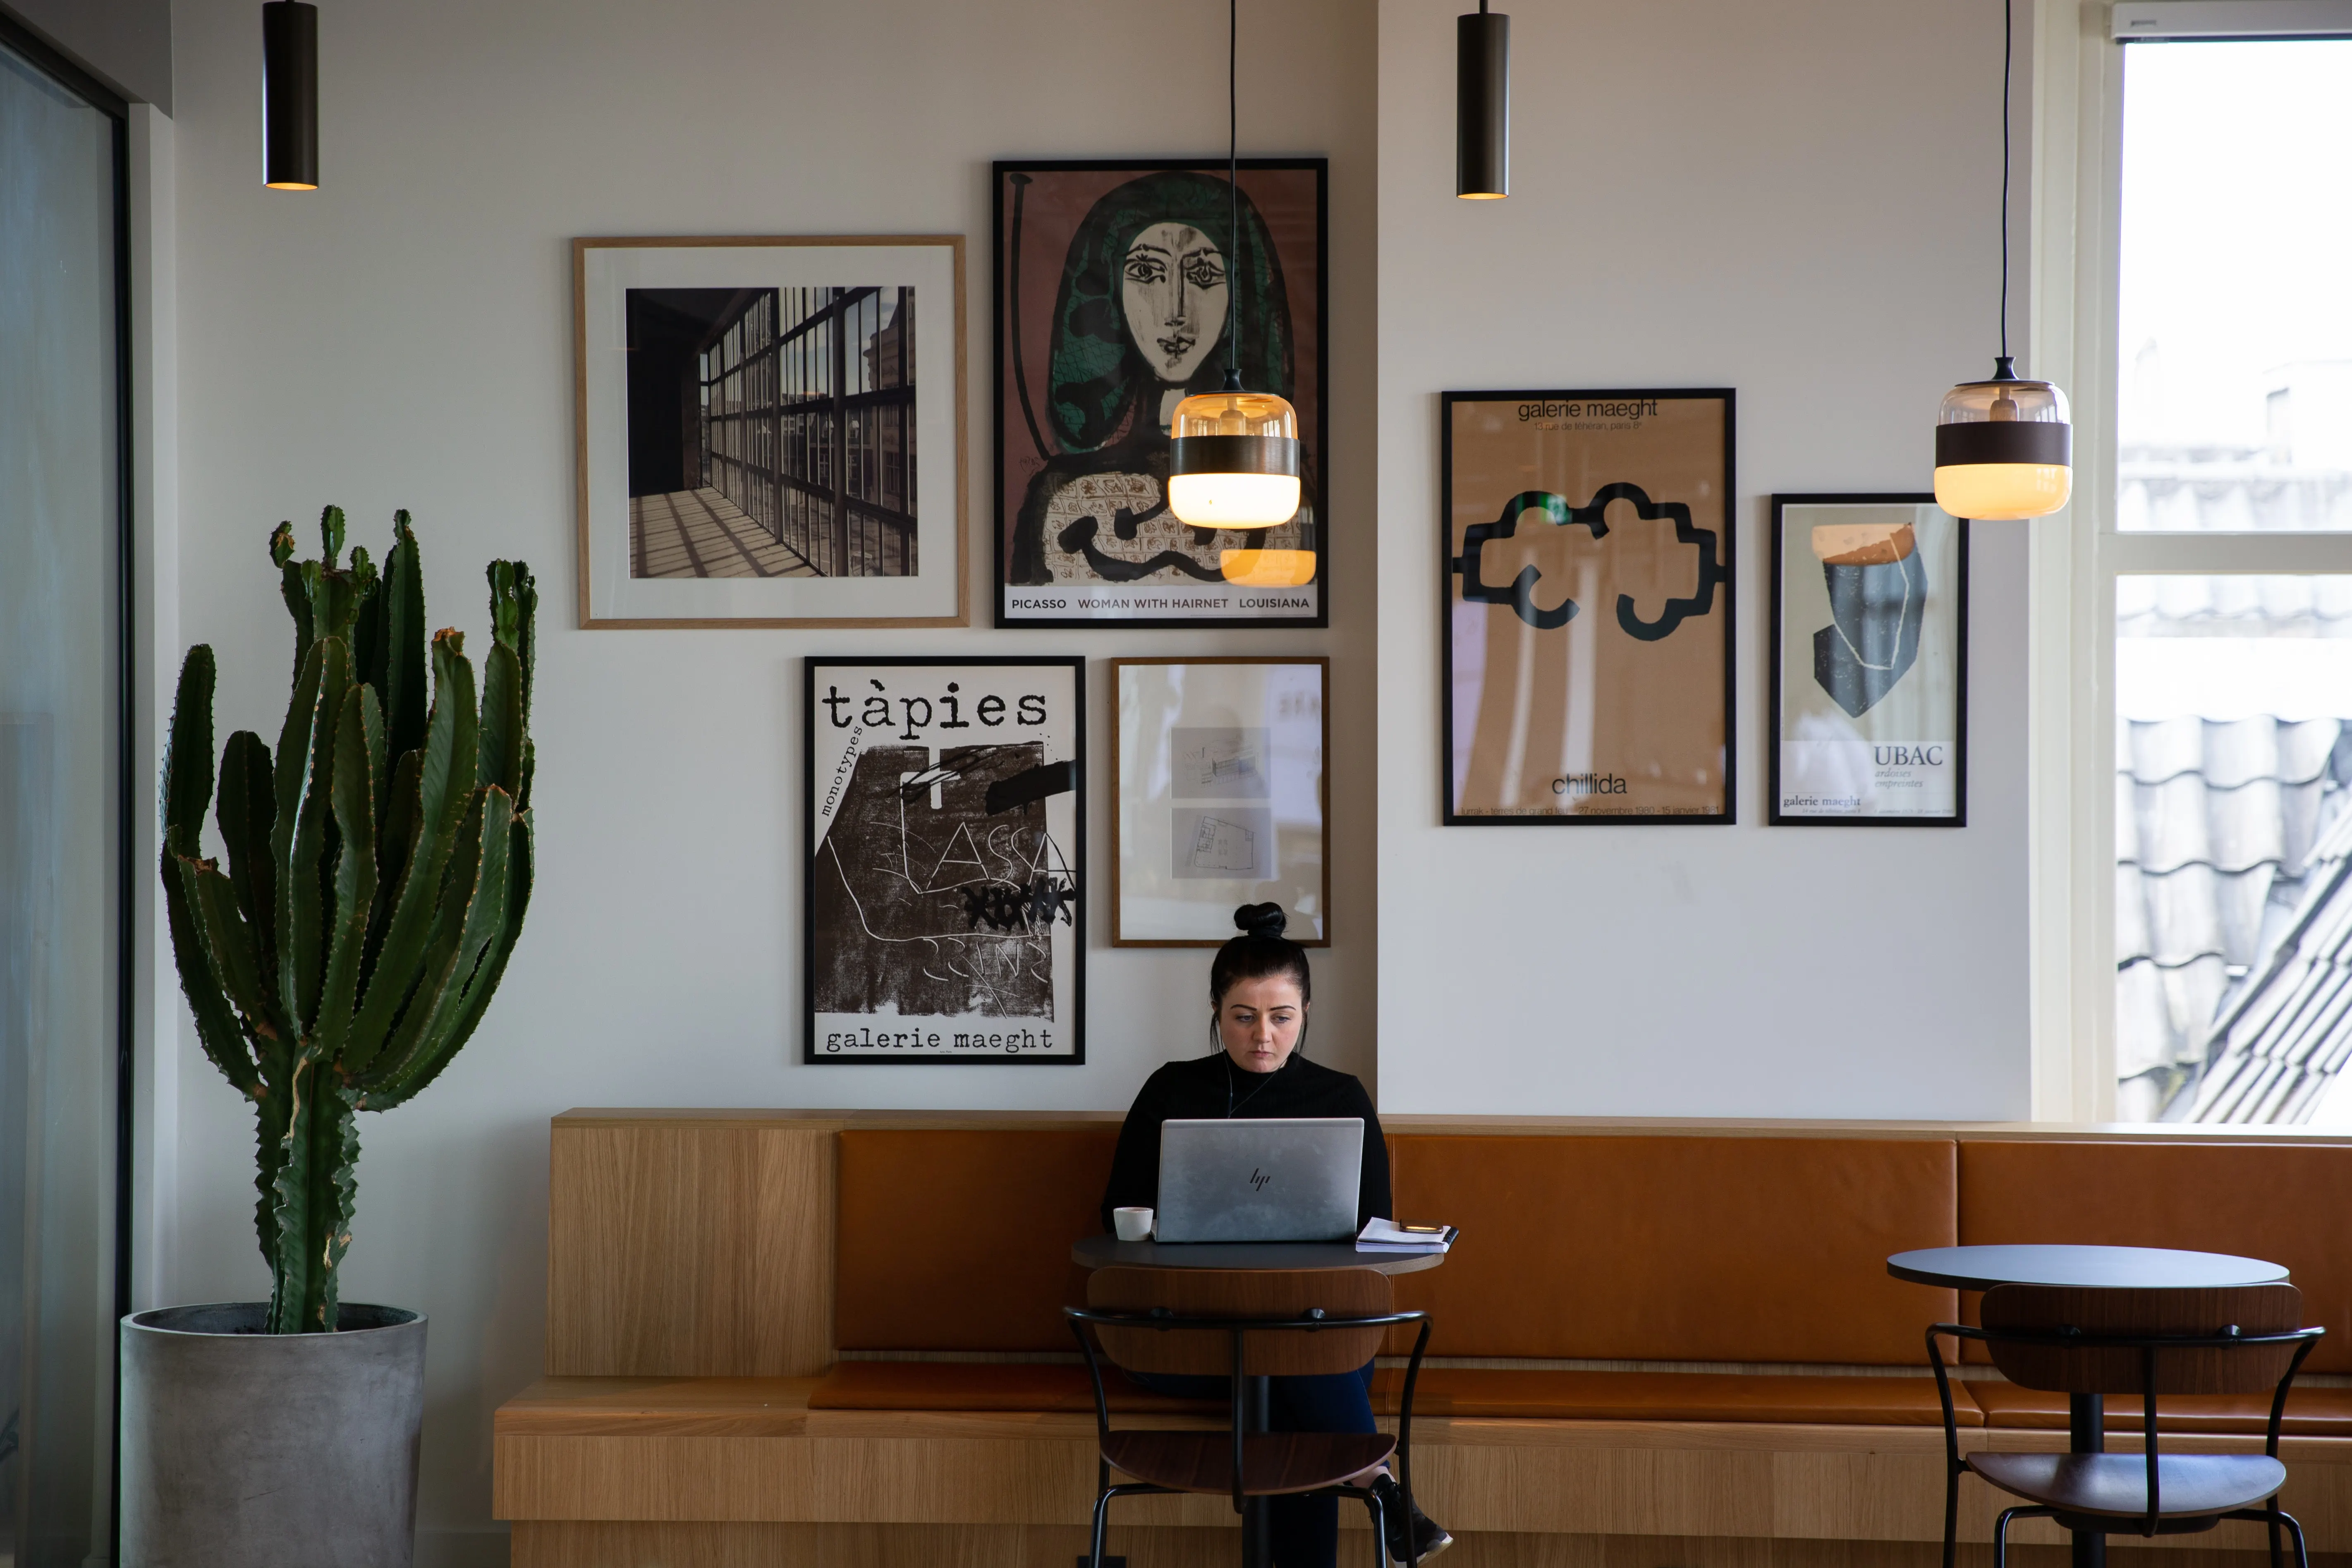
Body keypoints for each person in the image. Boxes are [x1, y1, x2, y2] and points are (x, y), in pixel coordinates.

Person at [1098, 903, 1451, 1568]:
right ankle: (1380, 1488)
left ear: (1306, 1011)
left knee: (1291, 1357)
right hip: (1186, 1333)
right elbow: (1114, 1214)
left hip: (1309, 1328)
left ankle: (1376, 1494)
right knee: (1299, 1364)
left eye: (1280, 1016)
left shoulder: (1340, 1097)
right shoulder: (1170, 1090)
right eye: (1243, 1016)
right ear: (1215, 1009)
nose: (1263, 1035)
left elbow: (1369, 1228)